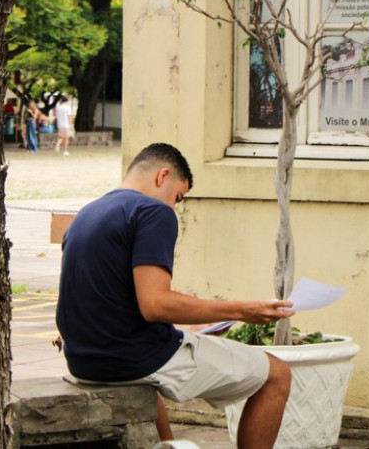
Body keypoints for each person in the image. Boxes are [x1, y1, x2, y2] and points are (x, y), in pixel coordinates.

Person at [55, 143, 294, 448]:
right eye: (178, 196)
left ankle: (166, 443)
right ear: (162, 176)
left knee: (148, 377)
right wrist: (241, 310)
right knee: (277, 374)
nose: (175, 206)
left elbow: (109, 301)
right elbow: (155, 304)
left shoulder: (87, 214)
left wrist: (183, 327)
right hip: (131, 360)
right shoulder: (153, 211)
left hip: (84, 362)